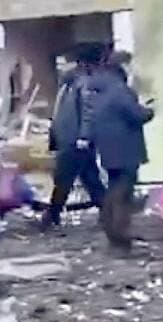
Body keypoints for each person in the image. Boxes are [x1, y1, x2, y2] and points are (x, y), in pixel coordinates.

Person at [77, 54, 155, 252]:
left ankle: (111, 230)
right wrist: (150, 110)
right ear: (122, 67)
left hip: (108, 149)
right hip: (126, 149)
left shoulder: (98, 90)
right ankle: (121, 235)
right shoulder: (120, 90)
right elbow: (135, 115)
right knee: (123, 193)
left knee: (113, 190)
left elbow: (91, 118)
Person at [41, 44, 107, 229]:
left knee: (64, 179)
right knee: (90, 179)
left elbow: (88, 111)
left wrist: (84, 137)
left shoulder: (82, 83)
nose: (60, 67)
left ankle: (51, 215)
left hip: (75, 141)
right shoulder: (68, 84)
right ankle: (108, 212)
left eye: (63, 63)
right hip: (67, 139)